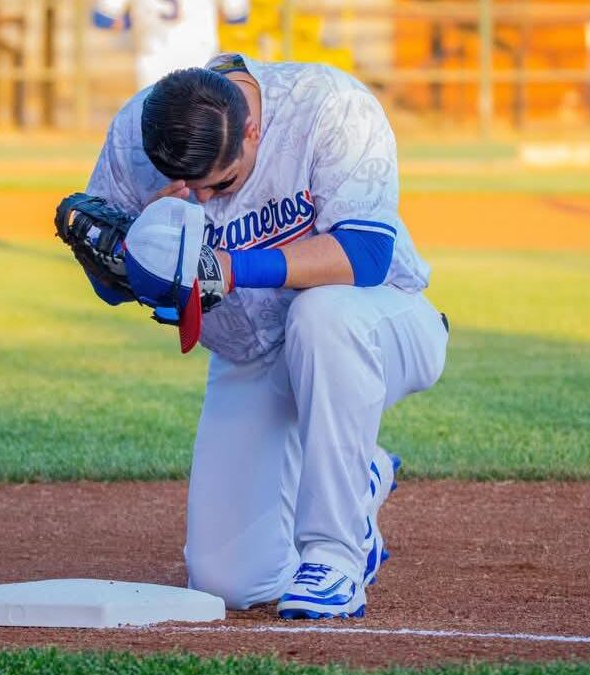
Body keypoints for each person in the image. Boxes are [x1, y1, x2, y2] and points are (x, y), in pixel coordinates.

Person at [84, 53, 449, 619]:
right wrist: (130, 265)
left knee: (320, 315)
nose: (206, 200)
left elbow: (367, 254)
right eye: (191, 189)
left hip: (380, 322)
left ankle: (336, 558)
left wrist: (230, 266)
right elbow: (117, 287)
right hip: (250, 358)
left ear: (255, 129)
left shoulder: (328, 106)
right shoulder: (136, 135)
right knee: (229, 581)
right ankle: (358, 474)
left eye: (221, 182)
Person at [92, 0, 249, 90]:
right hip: (202, 64)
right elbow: (237, 16)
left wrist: (135, 19)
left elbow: (103, 19)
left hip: (152, 68)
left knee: (158, 140)